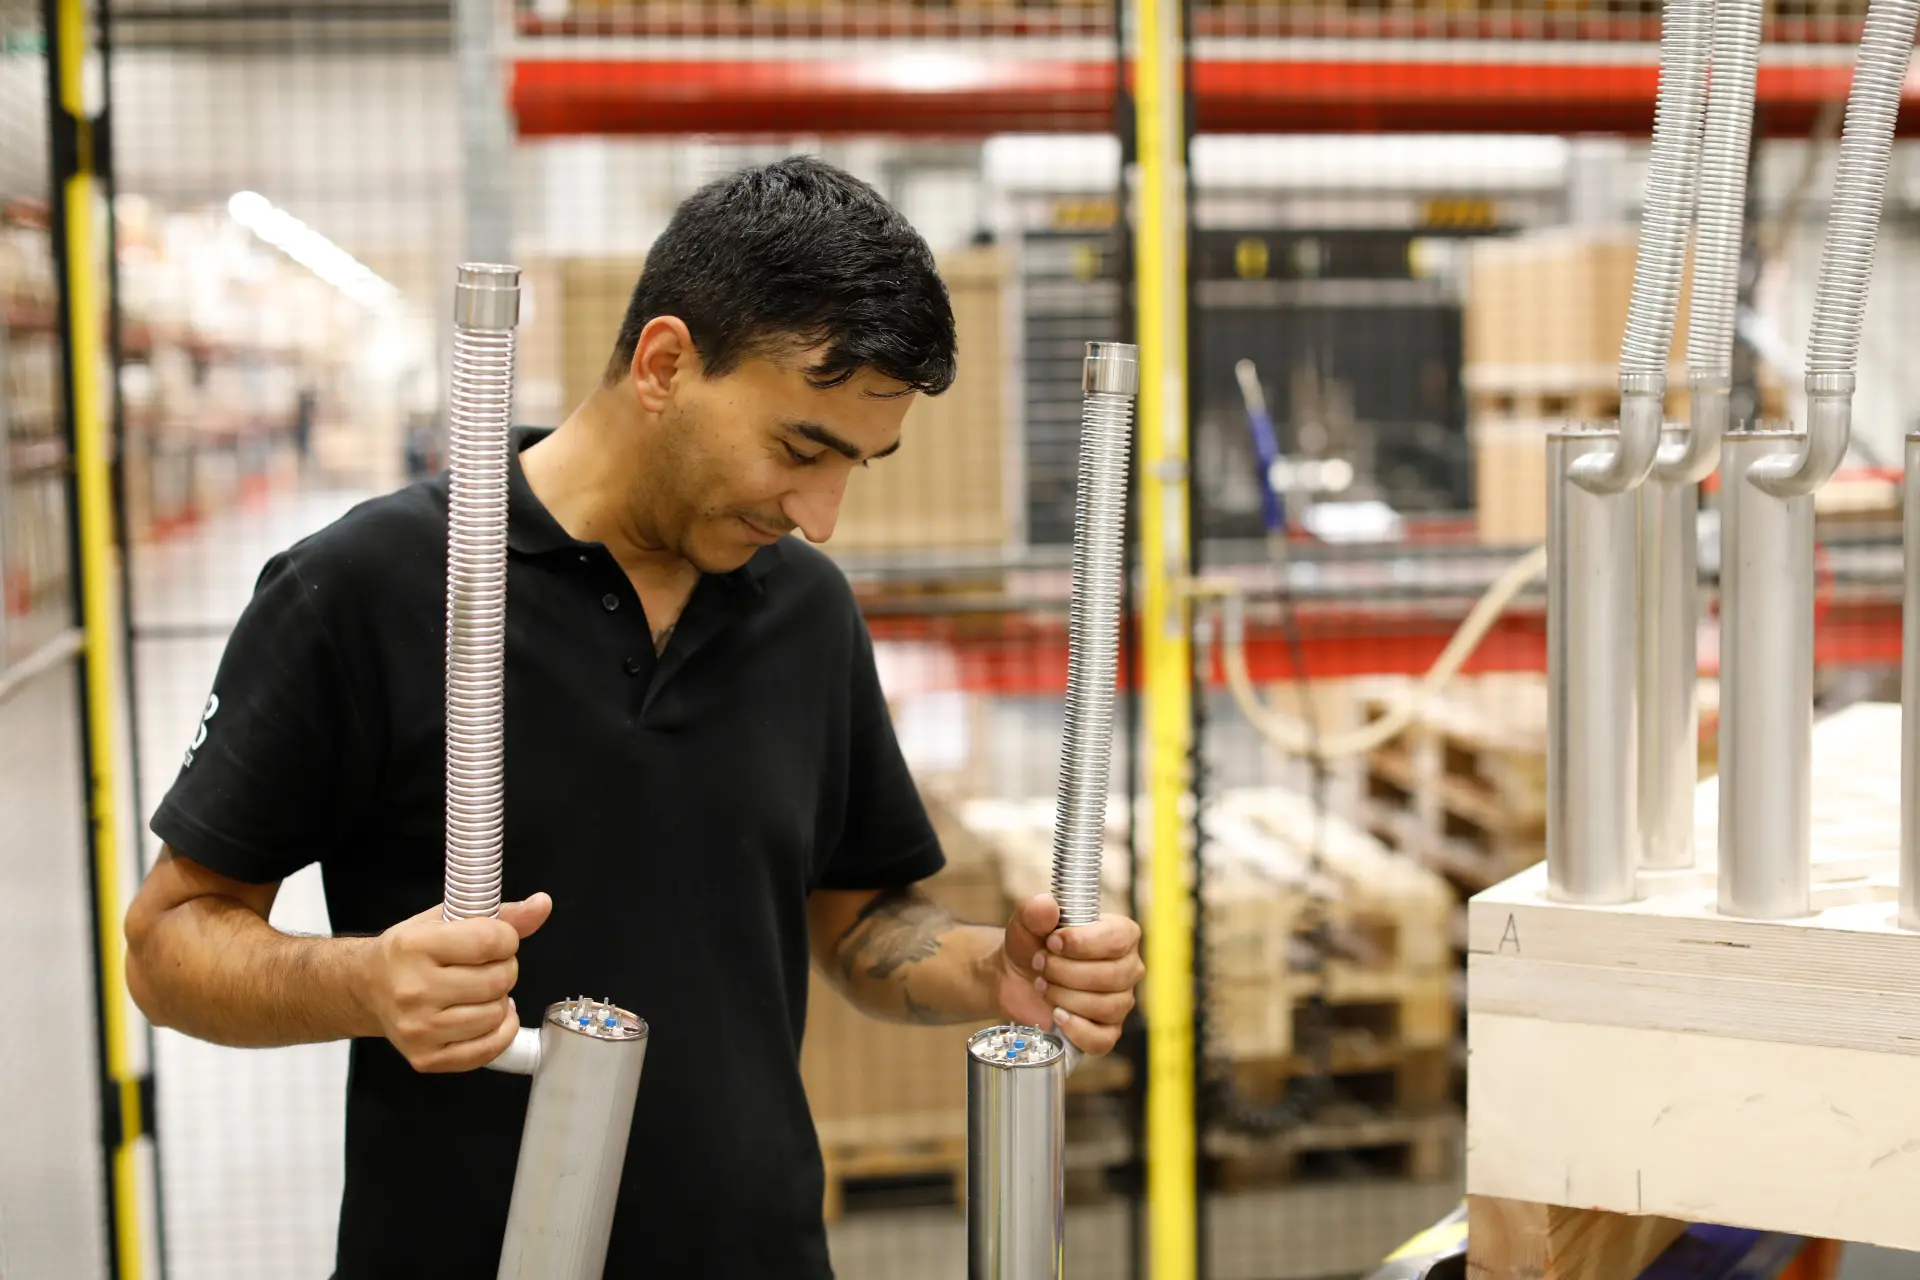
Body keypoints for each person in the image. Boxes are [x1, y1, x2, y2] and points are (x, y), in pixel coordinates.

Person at [122, 154, 1145, 1279]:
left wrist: (990, 970)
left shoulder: (806, 612)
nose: (822, 514)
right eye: (801, 448)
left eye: (858, 464)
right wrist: (365, 981)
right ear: (664, 363)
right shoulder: (368, 589)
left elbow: (858, 920)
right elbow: (170, 945)